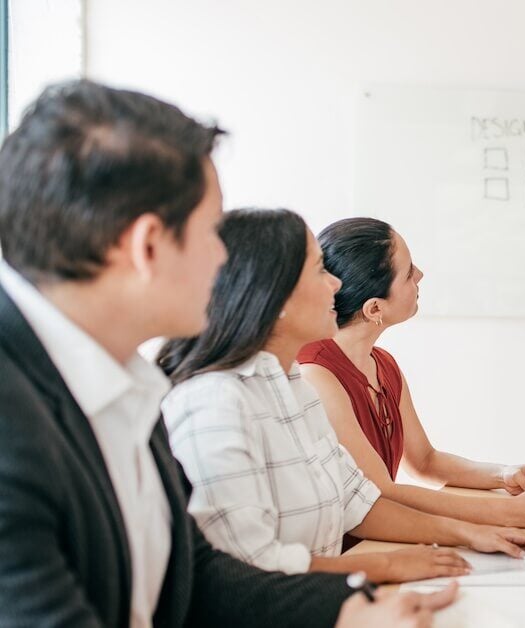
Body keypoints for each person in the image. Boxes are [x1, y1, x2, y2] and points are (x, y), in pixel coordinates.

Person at [0, 80, 452, 627]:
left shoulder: (126, 384)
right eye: (212, 231)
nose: (227, 259)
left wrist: (349, 610)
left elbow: (194, 574)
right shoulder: (14, 420)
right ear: (146, 247)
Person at [158, 208, 525, 584]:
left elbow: (361, 501)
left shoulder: (292, 387)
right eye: (319, 271)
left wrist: (474, 533)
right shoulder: (217, 404)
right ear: (274, 299)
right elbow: (248, 570)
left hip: (321, 597)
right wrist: (385, 565)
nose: (335, 285)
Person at [298, 217, 525, 531]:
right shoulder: (317, 375)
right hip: (348, 553)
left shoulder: (382, 363)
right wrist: (512, 512)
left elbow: (424, 461)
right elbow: (381, 494)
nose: (420, 275)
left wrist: (504, 474)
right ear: (374, 309)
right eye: (407, 273)